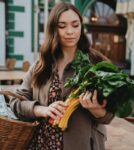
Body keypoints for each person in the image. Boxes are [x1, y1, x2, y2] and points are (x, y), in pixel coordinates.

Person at [9, 2, 114, 150]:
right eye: (62, 26)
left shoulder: (97, 64)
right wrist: (41, 110)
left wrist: (95, 109)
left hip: (82, 144)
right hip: (42, 144)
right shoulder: (41, 65)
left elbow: (109, 116)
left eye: (75, 25)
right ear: (53, 29)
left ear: (81, 27)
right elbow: (15, 103)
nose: (70, 31)